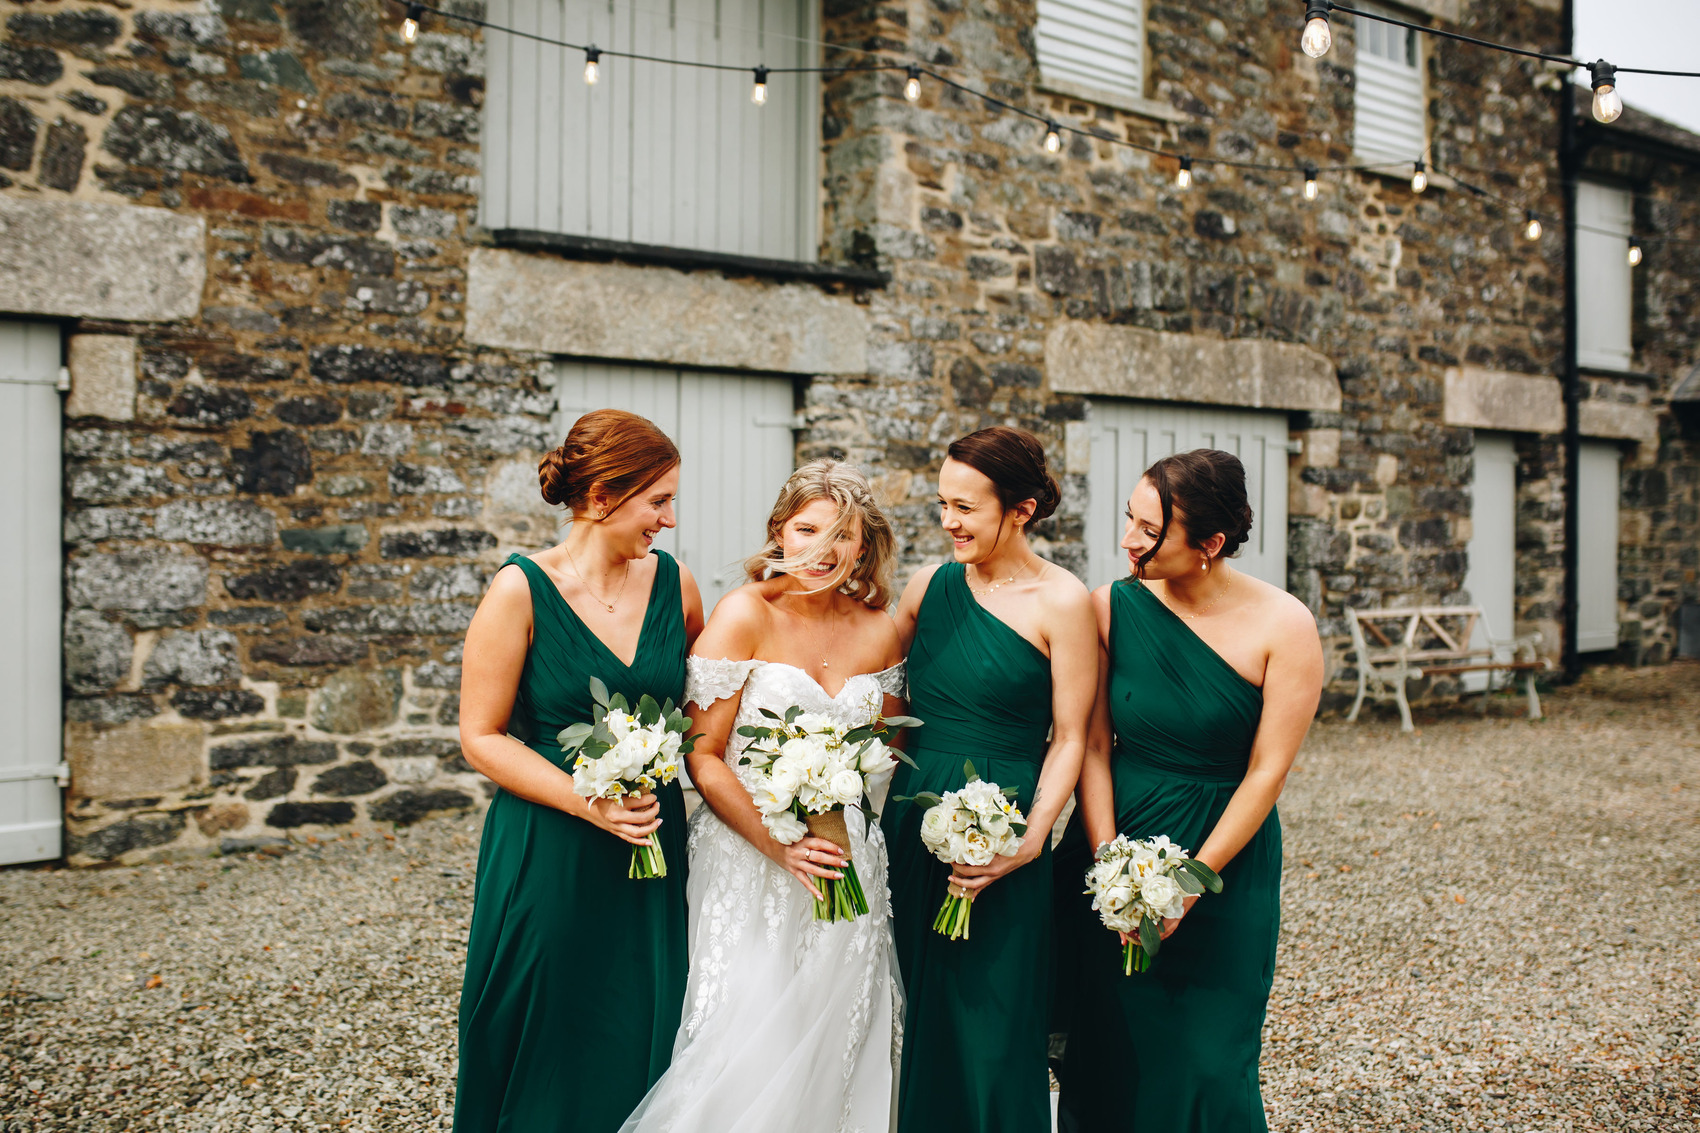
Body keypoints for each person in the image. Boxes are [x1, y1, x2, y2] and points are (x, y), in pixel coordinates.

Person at [621, 460, 907, 1133]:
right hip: (750, 861)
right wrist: (782, 845)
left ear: (863, 546)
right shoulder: (744, 613)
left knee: (838, 1032)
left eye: (844, 536)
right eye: (809, 528)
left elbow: (884, 751)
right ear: (780, 530)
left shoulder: (879, 627)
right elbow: (702, 752)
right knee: (742, 1036)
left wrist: (839, 825)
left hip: (847, 860)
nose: (823, 550)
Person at [1052, 449, 1323, 1133]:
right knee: (1112, 1050)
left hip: (1225, 861)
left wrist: (1193, 881)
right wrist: (1111, 860)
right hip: (1119, 838)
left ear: (1210, 543)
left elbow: (1267, 771)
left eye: (1150, 531)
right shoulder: (1109, 608)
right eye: (1129, 519)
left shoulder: (1284, 626)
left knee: (1208, 1059)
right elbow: (1090, 743)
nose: (1128, 541)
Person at [454, 410, 705, 1133]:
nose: (669, 519)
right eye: (657, 500)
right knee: (545, 1026)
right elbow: (481, 734)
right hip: (550, 846)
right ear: (600, 499)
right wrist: (584, 800)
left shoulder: (675, 586)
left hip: (652, 850)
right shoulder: (520, 590)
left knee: (643, 1023)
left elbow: (700, 709)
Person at [881, 426, 1098, 1133]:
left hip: (1004, 836)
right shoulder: (928, 586)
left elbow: (1070, 736)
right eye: (945, 503)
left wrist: (1033, 837)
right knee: (917, 1012)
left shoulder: (1062, 601)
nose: (949, 521)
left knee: (994, 1021)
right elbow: (874, 680)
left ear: (1022, 508)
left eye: (967, 507)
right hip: (912, 827)